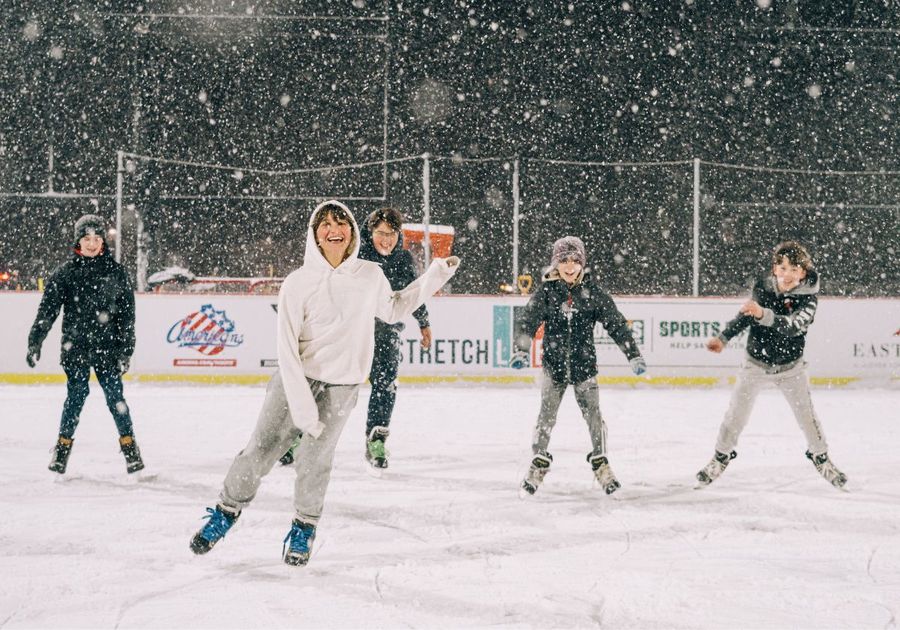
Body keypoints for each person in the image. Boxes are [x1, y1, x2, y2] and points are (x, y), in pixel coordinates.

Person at [189, 200, 459, 566]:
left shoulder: (370, 275)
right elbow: (286, 347)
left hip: (341, 388)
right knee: (261, 449)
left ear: (352, 232)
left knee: (316, 461)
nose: (334, 229)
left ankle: (304, 527)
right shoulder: (297, 283)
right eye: (325, 223)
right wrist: (300, 404)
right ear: (314, 234)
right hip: (293, 380)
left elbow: (395, 309)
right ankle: (226, 511)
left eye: (341, 222)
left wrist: (435, 276)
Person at [279, 207, 432, 472]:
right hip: (350, 333)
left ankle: (376, 438)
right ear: (369, 233)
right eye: (381, 233)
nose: (386, 240)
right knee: (324, 385)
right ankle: (300, 435)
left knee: (385, 385)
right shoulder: (356, 256)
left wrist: (424, 322)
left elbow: (410, 294)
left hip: (387, 333)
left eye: (392, 234)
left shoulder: (404, 260)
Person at [696, 240, 847, 489]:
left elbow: (791, 327)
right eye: (782, 268)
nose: (787, 274)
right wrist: (723, 338)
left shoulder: (809, 300)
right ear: (774, 269)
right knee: (735, 415)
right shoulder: (764, 288)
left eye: (794, 269)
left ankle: (822, 459)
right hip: (755, 363)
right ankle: (719, 458)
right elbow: (747, 313)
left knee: (807, 417)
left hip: (791, 368)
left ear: (803, 273)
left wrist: (762, 314)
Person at [510, 236, 646, 496]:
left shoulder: (593, 293)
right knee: (546, 417)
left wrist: (633, 355)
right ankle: (539, 462)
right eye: (564, 261)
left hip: (585, 368)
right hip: (554, 368)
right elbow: (527, 322)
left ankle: (601, 462)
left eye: (575, 261)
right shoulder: (548, 293)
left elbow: (616, 324)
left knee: (594, 418)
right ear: (555, 264)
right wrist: (521, 349)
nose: (570, 266)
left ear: (582, 263)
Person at [26, 213, 142, 475]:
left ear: (103, 242)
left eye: (97, 238)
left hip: (107, 349)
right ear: (78, 241)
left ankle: (131, 450)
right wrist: (35, 342)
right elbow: (47, 312)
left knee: (116, 399)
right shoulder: (66, 274)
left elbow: (127, 318)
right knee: (75, 398)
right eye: (86, 238)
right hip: (75, 349)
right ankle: (61, 451)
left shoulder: (116, 274)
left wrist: (125, 350)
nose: (92, 243)